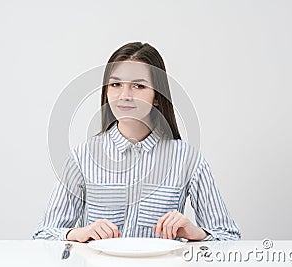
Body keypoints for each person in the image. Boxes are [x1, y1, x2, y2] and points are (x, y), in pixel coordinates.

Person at [33, 42, 241, 242]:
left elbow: (229, 237)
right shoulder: (82, 157)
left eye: (138, 86)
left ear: (157, 96)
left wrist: (196, 233)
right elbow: (44, 235)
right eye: (115, 84)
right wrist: (77, 233)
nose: (124, 96)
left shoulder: (187, 159)